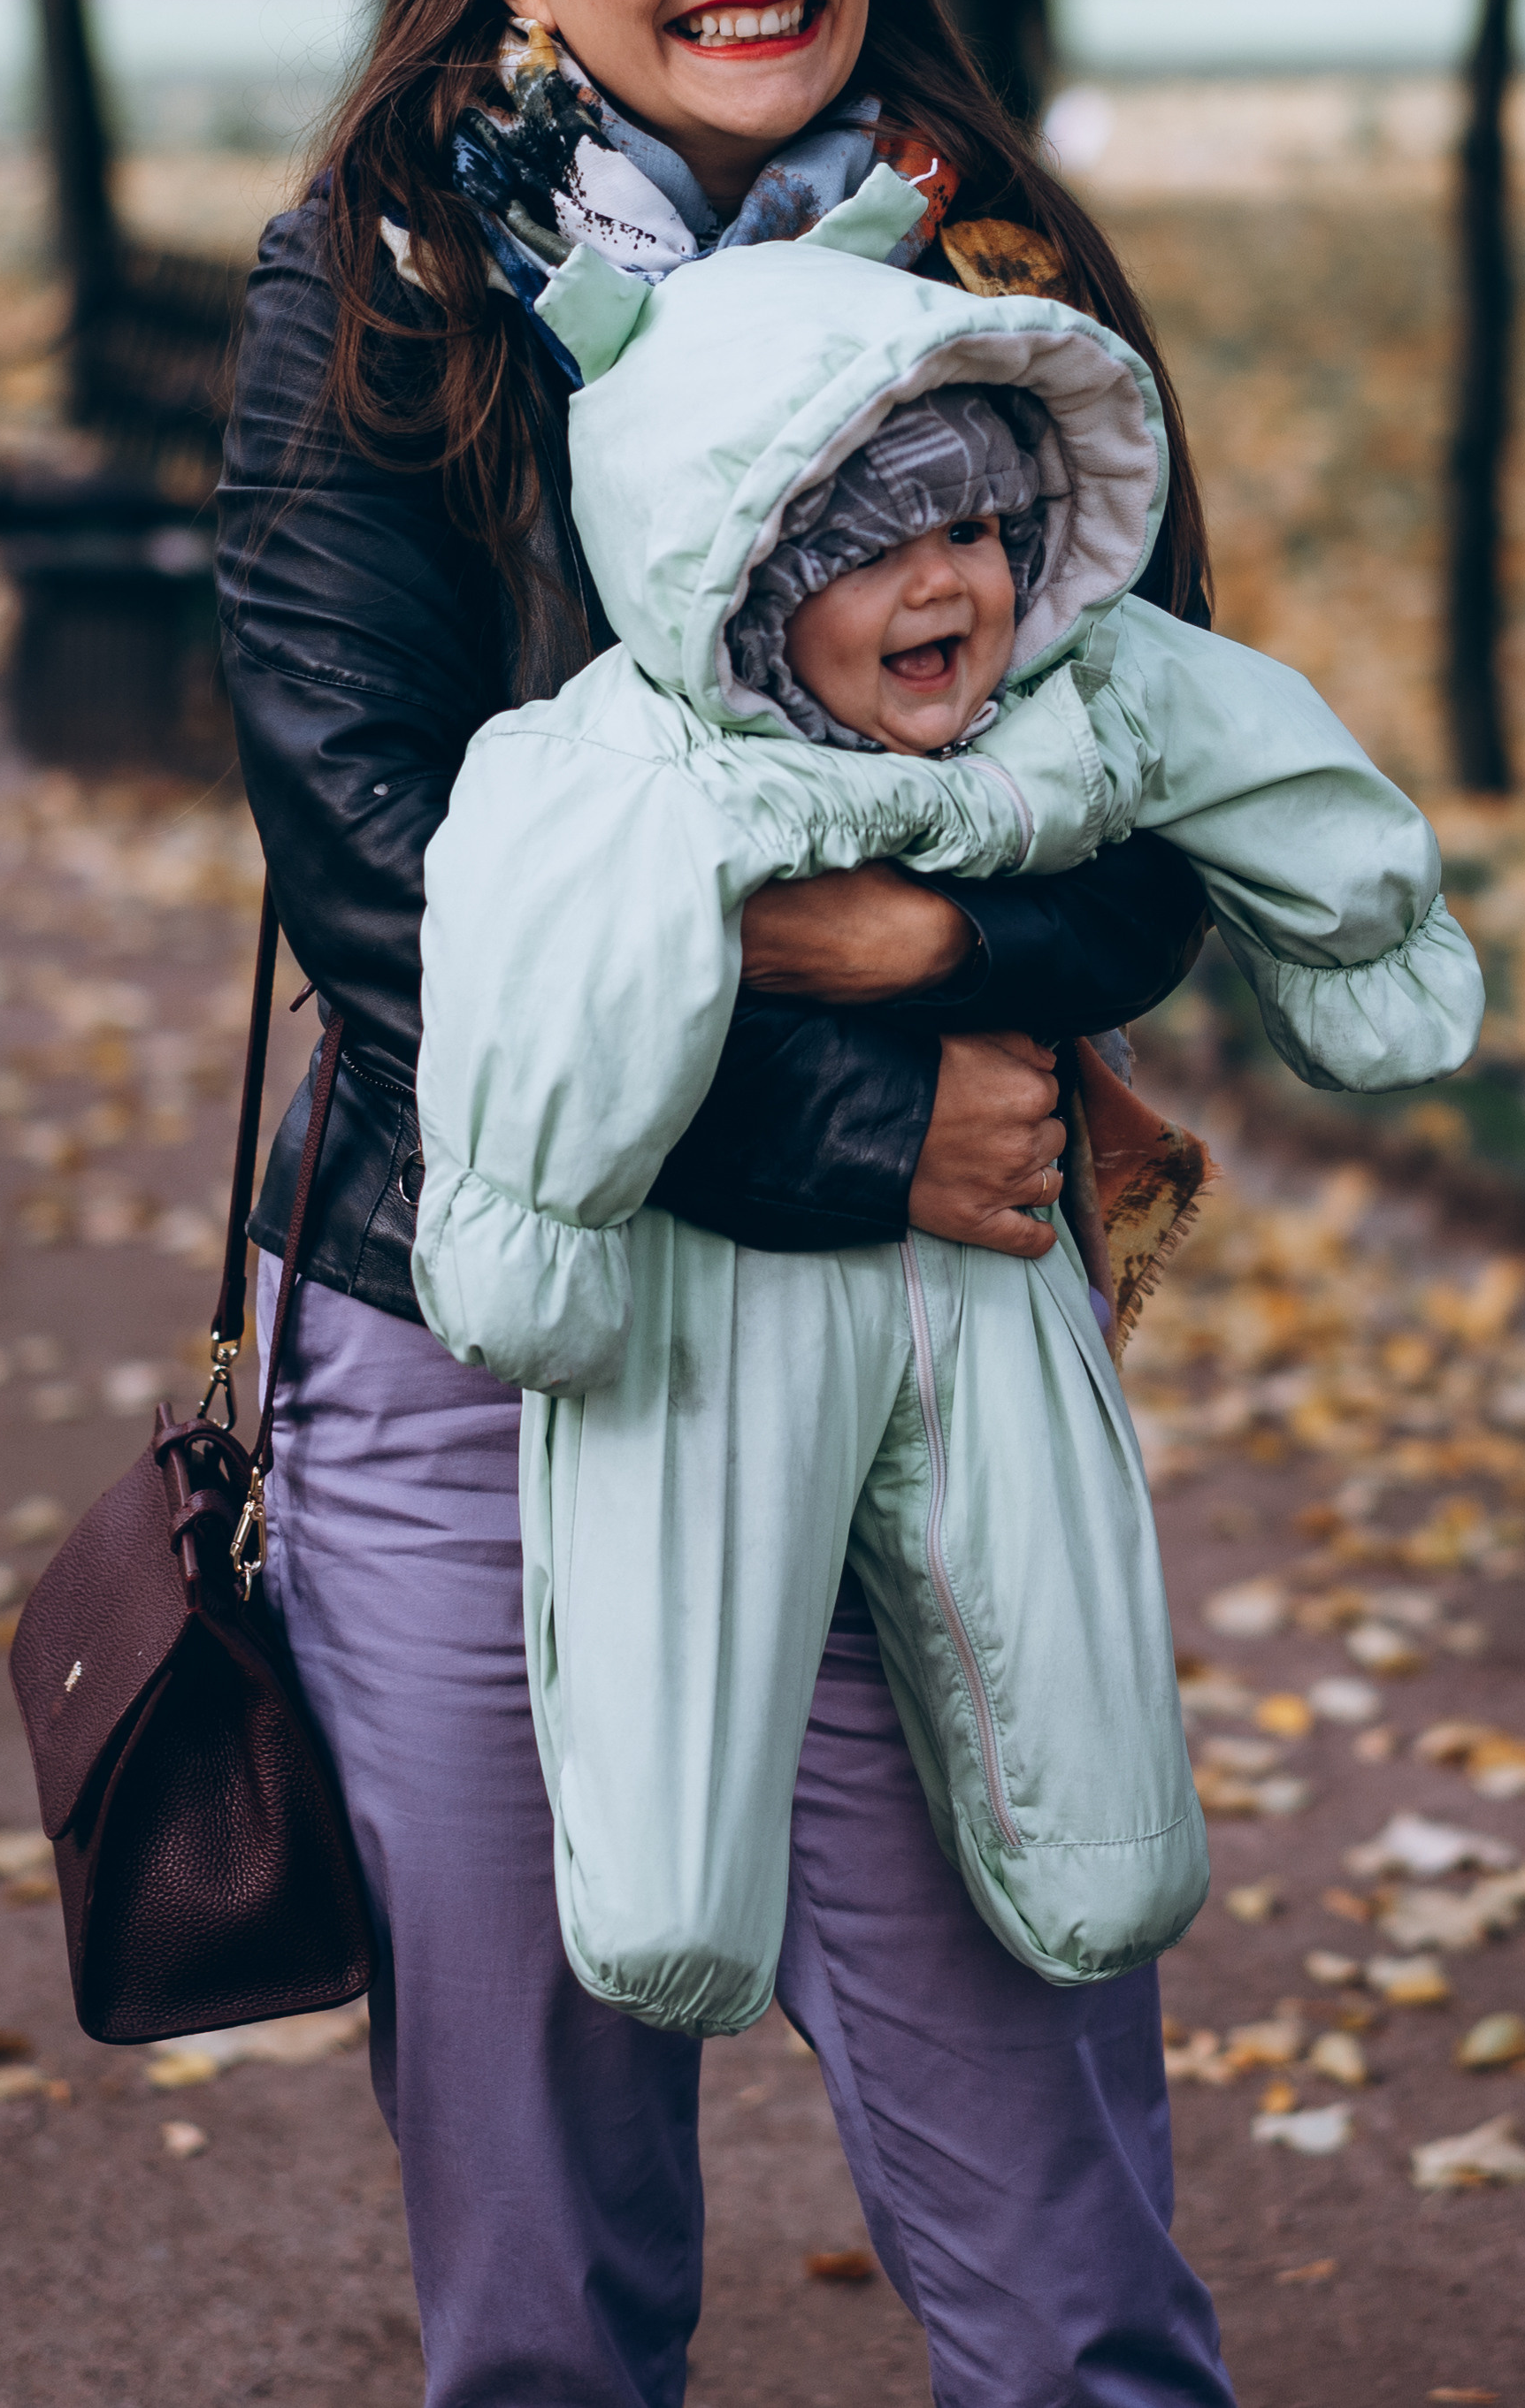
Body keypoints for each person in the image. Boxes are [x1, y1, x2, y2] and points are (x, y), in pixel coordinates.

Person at [215, 0, 1232, 2407]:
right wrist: (843, 1113)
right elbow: (380, 880)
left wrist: (882, 931)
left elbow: (1160, 807)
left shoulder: (1006, 280)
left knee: (1067, 2248)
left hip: (931, 1370)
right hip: (469, 1353)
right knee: (539, 2286)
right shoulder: (384, 288)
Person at [410, 224, 1481, 2038]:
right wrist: (532, 1228)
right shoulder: (624, 764)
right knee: (678, 1584)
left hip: (995, 1269)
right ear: (744, 584)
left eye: (983, 531)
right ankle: (671, 1886)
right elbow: (551, 975)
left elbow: (1253, 752)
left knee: (1047, 1585)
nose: (953, 582)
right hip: (709, 1293)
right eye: (874, 546)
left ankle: (1101, 1845)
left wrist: (1365, 936)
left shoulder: (1080, 696)